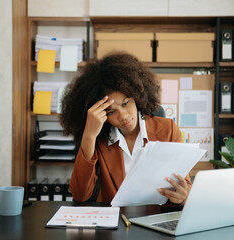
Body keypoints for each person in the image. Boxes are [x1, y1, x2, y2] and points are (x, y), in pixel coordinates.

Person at [60, 52, 192, 205]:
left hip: (155, 218)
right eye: (110, 111)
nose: (122, 116)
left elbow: (185, 185)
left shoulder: (168, 129)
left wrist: (183, 196)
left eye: (125, 104)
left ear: (136, 96)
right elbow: (80, 195)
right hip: (116, 222)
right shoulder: (99, 139)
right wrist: (89, 135)